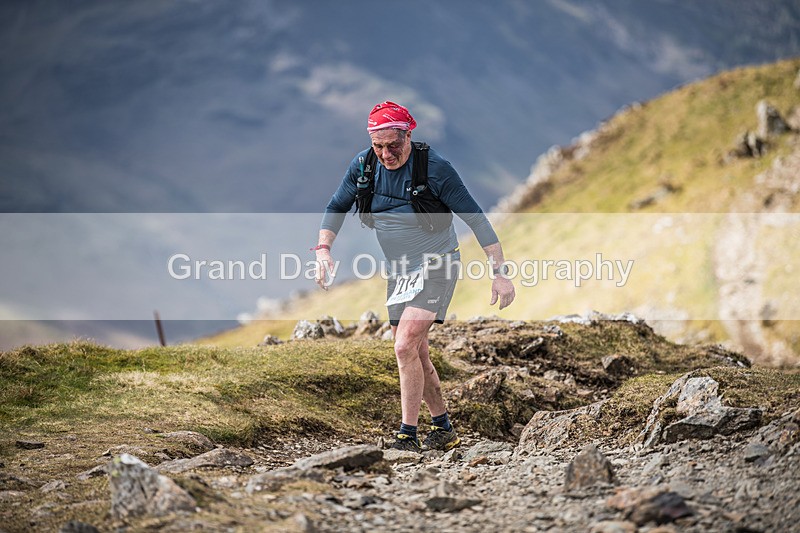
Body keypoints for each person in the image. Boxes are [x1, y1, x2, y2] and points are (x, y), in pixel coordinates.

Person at [314, 101, 515, 452]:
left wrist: (500, 274)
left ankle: (407, 435)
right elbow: (336, 206)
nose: (386, 154)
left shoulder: (435, 169)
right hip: (400, 271)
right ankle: (443, 427)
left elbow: (477, 220)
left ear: (409, 135)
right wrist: (323, 250)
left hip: (439, 264)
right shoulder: (363, 166)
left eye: (394, 145)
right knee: (417, 353)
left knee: (404, 344)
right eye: (379, 146)